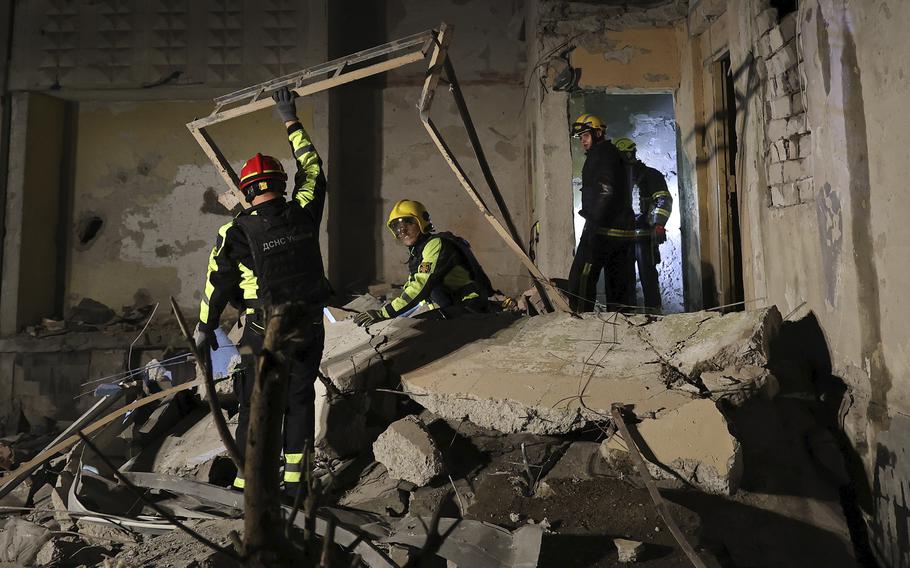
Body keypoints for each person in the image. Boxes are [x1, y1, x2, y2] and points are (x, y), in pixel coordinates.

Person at [193, 86, 331, 496]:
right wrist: (291, 120)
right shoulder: (305, 210)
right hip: (308, 323)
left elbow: (216, 284)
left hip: (261, 330)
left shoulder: (234, 231)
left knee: (256, 403)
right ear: (281, 183)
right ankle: (296, 486)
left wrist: (205, 328)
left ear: (247, 190)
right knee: (300, 399)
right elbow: (313, 168)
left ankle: (249, 481)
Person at [354, 199, 493, 326]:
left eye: (408, 223)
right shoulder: (418, 252)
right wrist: (390, 311)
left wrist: (384, 313)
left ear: (422, 222)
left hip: (469, 306)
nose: (403, 231)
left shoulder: (436, 245)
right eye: (397, 227)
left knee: (419, 327)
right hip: (454, 304)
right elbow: (412, 287)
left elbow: (421, 286)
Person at [566, 114, 635, 312]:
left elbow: (606, 190)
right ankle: (621, 326)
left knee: (581, 279)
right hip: (621, 231)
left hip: (603, 230)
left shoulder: (601, 154)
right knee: (618, 285)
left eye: (585, 135)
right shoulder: (613, 154)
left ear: (598, 133)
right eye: (580, 137)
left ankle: (581, 321)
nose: (583, 141)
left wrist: (594, 223)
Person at [615, 137, 673, 313]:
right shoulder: (616, 180)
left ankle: (654, 314)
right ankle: (627, 317)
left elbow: (663, 200)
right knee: (624, 278)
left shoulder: (650, 176)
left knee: (647, 275)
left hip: (645, 236)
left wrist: (658, 225)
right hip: (622, 237)